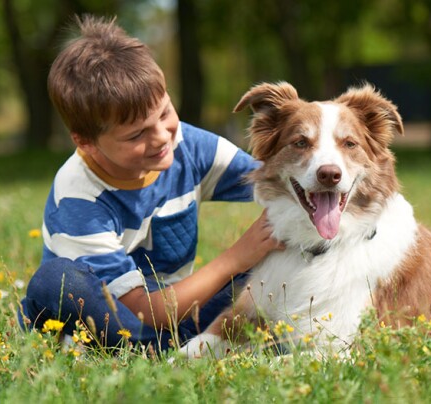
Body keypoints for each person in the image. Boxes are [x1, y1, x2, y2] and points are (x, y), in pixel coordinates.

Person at [17, 15, 282, 351]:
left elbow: (277, 180)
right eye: (136, 134)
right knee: (53, 281)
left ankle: (201, 342)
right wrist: (237, 257)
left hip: (181, 317)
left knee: (276, 263)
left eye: (165, 113)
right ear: (86, 142)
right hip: (112, 326)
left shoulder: (189, 146)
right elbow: (138, 311)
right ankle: (170, 350)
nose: (161, 138)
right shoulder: (78, 197)